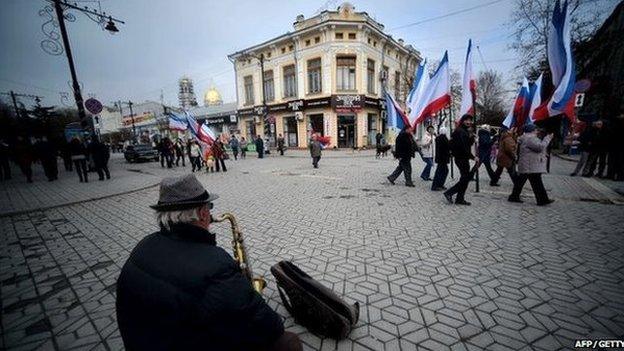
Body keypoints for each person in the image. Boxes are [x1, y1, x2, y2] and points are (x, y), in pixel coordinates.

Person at [116, 174, 302, 351]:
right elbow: (269, 327)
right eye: (209, 207)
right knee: (288, 341)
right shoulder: (215, 265)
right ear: (202, 213)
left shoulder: (143, 246)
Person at [508, 124, 554, 206]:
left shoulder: (527, 137)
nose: (537, 131)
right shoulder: (530, 138)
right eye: (536, 129)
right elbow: (540, 147)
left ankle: (514, 197)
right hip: (530, 165)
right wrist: (547, 139)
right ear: (532, 130)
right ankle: (542, 200)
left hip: (528, 165)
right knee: (536, 183)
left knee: (523, 182)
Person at [444, 114, 477, 205]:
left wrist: (471, 136)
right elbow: (463, 147)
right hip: (461, 158)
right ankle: (449, 193)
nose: (469, 122)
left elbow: (468, 144)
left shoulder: (464, 131)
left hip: (463, 157)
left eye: (470, 120)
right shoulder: (460, 131)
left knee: (465, 179)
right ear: (463, 120)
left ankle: (460, 198)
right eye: (467, 120)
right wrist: (473, 157)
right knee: (465, 179)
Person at [431, 127, 450, 191]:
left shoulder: (439, 138)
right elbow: (447, 147)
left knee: (443, 171)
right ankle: (436, 185)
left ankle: (439, 184)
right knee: (441, 172)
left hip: (440, 158)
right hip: (443, 158)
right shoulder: (443, 138)